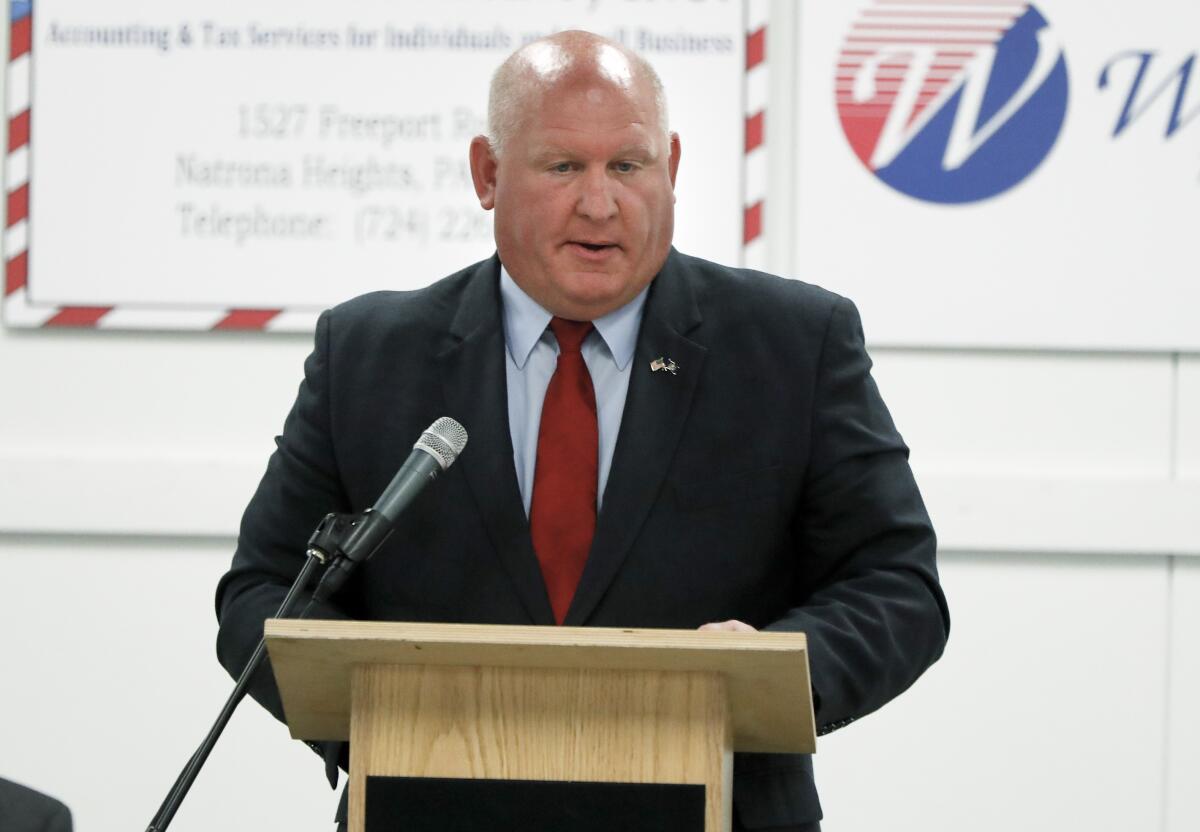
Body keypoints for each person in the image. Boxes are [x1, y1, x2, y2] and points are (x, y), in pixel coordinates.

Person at [216, 30, 949, 831]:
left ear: (671, 165)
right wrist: (382, 704)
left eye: (628, 166)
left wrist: (770, 674)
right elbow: (263, 591)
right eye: (564, 167)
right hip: (434, 807)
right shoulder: (368, 353)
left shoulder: (794, 343)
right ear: (487, 174)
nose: (600, 204)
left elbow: (896, 583)